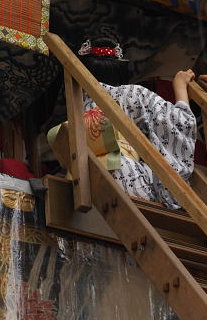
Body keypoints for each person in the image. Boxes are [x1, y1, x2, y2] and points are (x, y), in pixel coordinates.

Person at [77, 37, 196, 209]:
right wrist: (180, 87)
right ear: (119, 75)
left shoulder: (78, 108)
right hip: (130, 179)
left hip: (90, 181)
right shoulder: (133, 93)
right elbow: (179, 123)